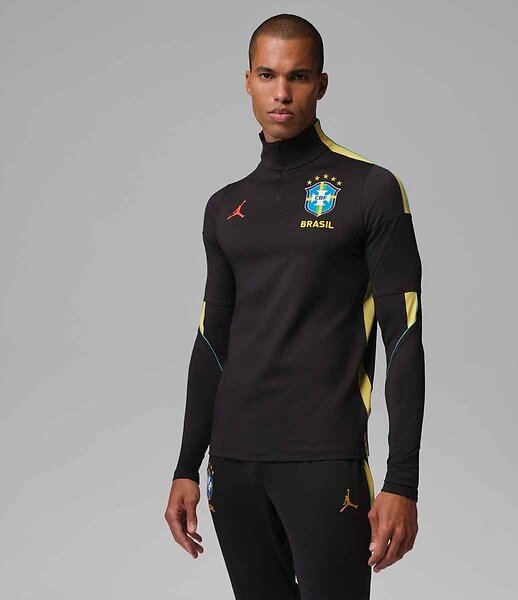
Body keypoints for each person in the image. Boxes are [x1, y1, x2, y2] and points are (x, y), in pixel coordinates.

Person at [164, 13, 425, 600]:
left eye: (298, 76)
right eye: (267, 75)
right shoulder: (225, 207)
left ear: (321, 84)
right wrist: (186, 464)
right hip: (233, 465)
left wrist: (402, 480)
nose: (281, 92)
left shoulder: (370, 190)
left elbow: (404, 338)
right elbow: (211, 341)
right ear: (248, 82)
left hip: (324, 460)